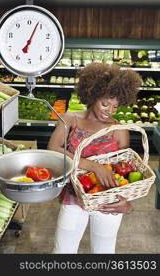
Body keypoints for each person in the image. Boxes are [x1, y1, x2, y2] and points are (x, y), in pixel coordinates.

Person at [47, 62, 142, 254]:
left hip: (109, 199)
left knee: (104, 252)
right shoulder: (71, 119)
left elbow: (125, 168)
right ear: (92, 96)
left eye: (115, 106)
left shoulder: (119, 129)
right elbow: (53, 148)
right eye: (105, 104)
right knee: (62, 251)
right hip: (74, 196)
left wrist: (126, 203)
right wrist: (94, 166)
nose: (109, 111)